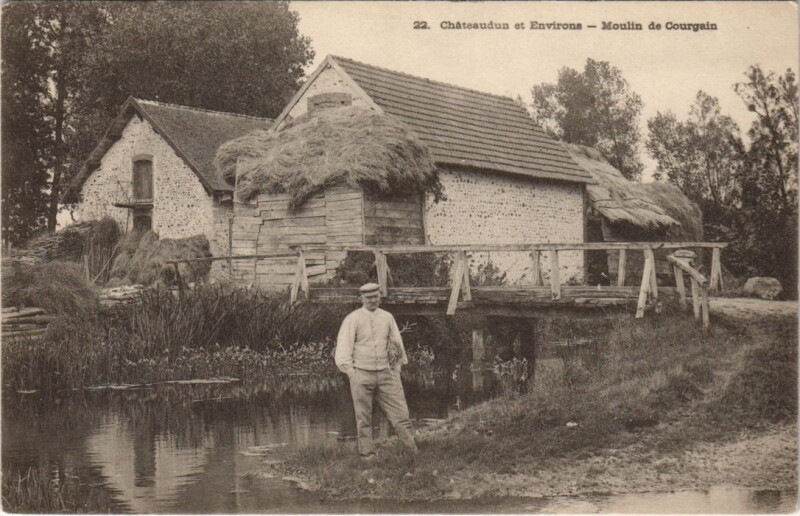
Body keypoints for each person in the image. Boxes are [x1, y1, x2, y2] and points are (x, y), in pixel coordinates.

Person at [334, 282, 418, 459]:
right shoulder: (352, 319)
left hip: (387, 374)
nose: (373, 300)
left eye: (375, 296)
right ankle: (367, 454)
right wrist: (351, 373)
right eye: (368, 297)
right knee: (363, 418)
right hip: (361, 374)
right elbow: (343, 348)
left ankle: (412, 451)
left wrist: (396, 368)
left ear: (380, 297)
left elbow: (396, 344)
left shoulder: (387, 317)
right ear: (361, 299)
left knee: (400, 414)